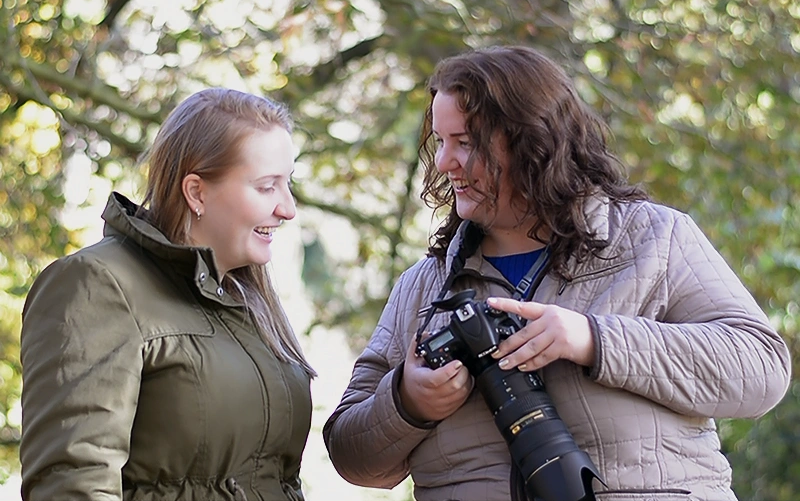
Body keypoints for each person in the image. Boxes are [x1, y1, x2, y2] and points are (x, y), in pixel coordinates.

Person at [322, 46, 791, 501]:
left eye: (465, 143)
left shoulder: (655, 237)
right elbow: (351, 455)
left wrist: (593, 339)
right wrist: (407, 402)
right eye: (441, 142)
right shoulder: (422, 286)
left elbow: (762, 369)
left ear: (532, 140)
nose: (445, 163)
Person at [20, 88, 315, 501]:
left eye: (289, 183)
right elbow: (72, 482)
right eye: (267, 187)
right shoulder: (97, 284)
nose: (288, 208)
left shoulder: (247, 301)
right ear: (196, 192)